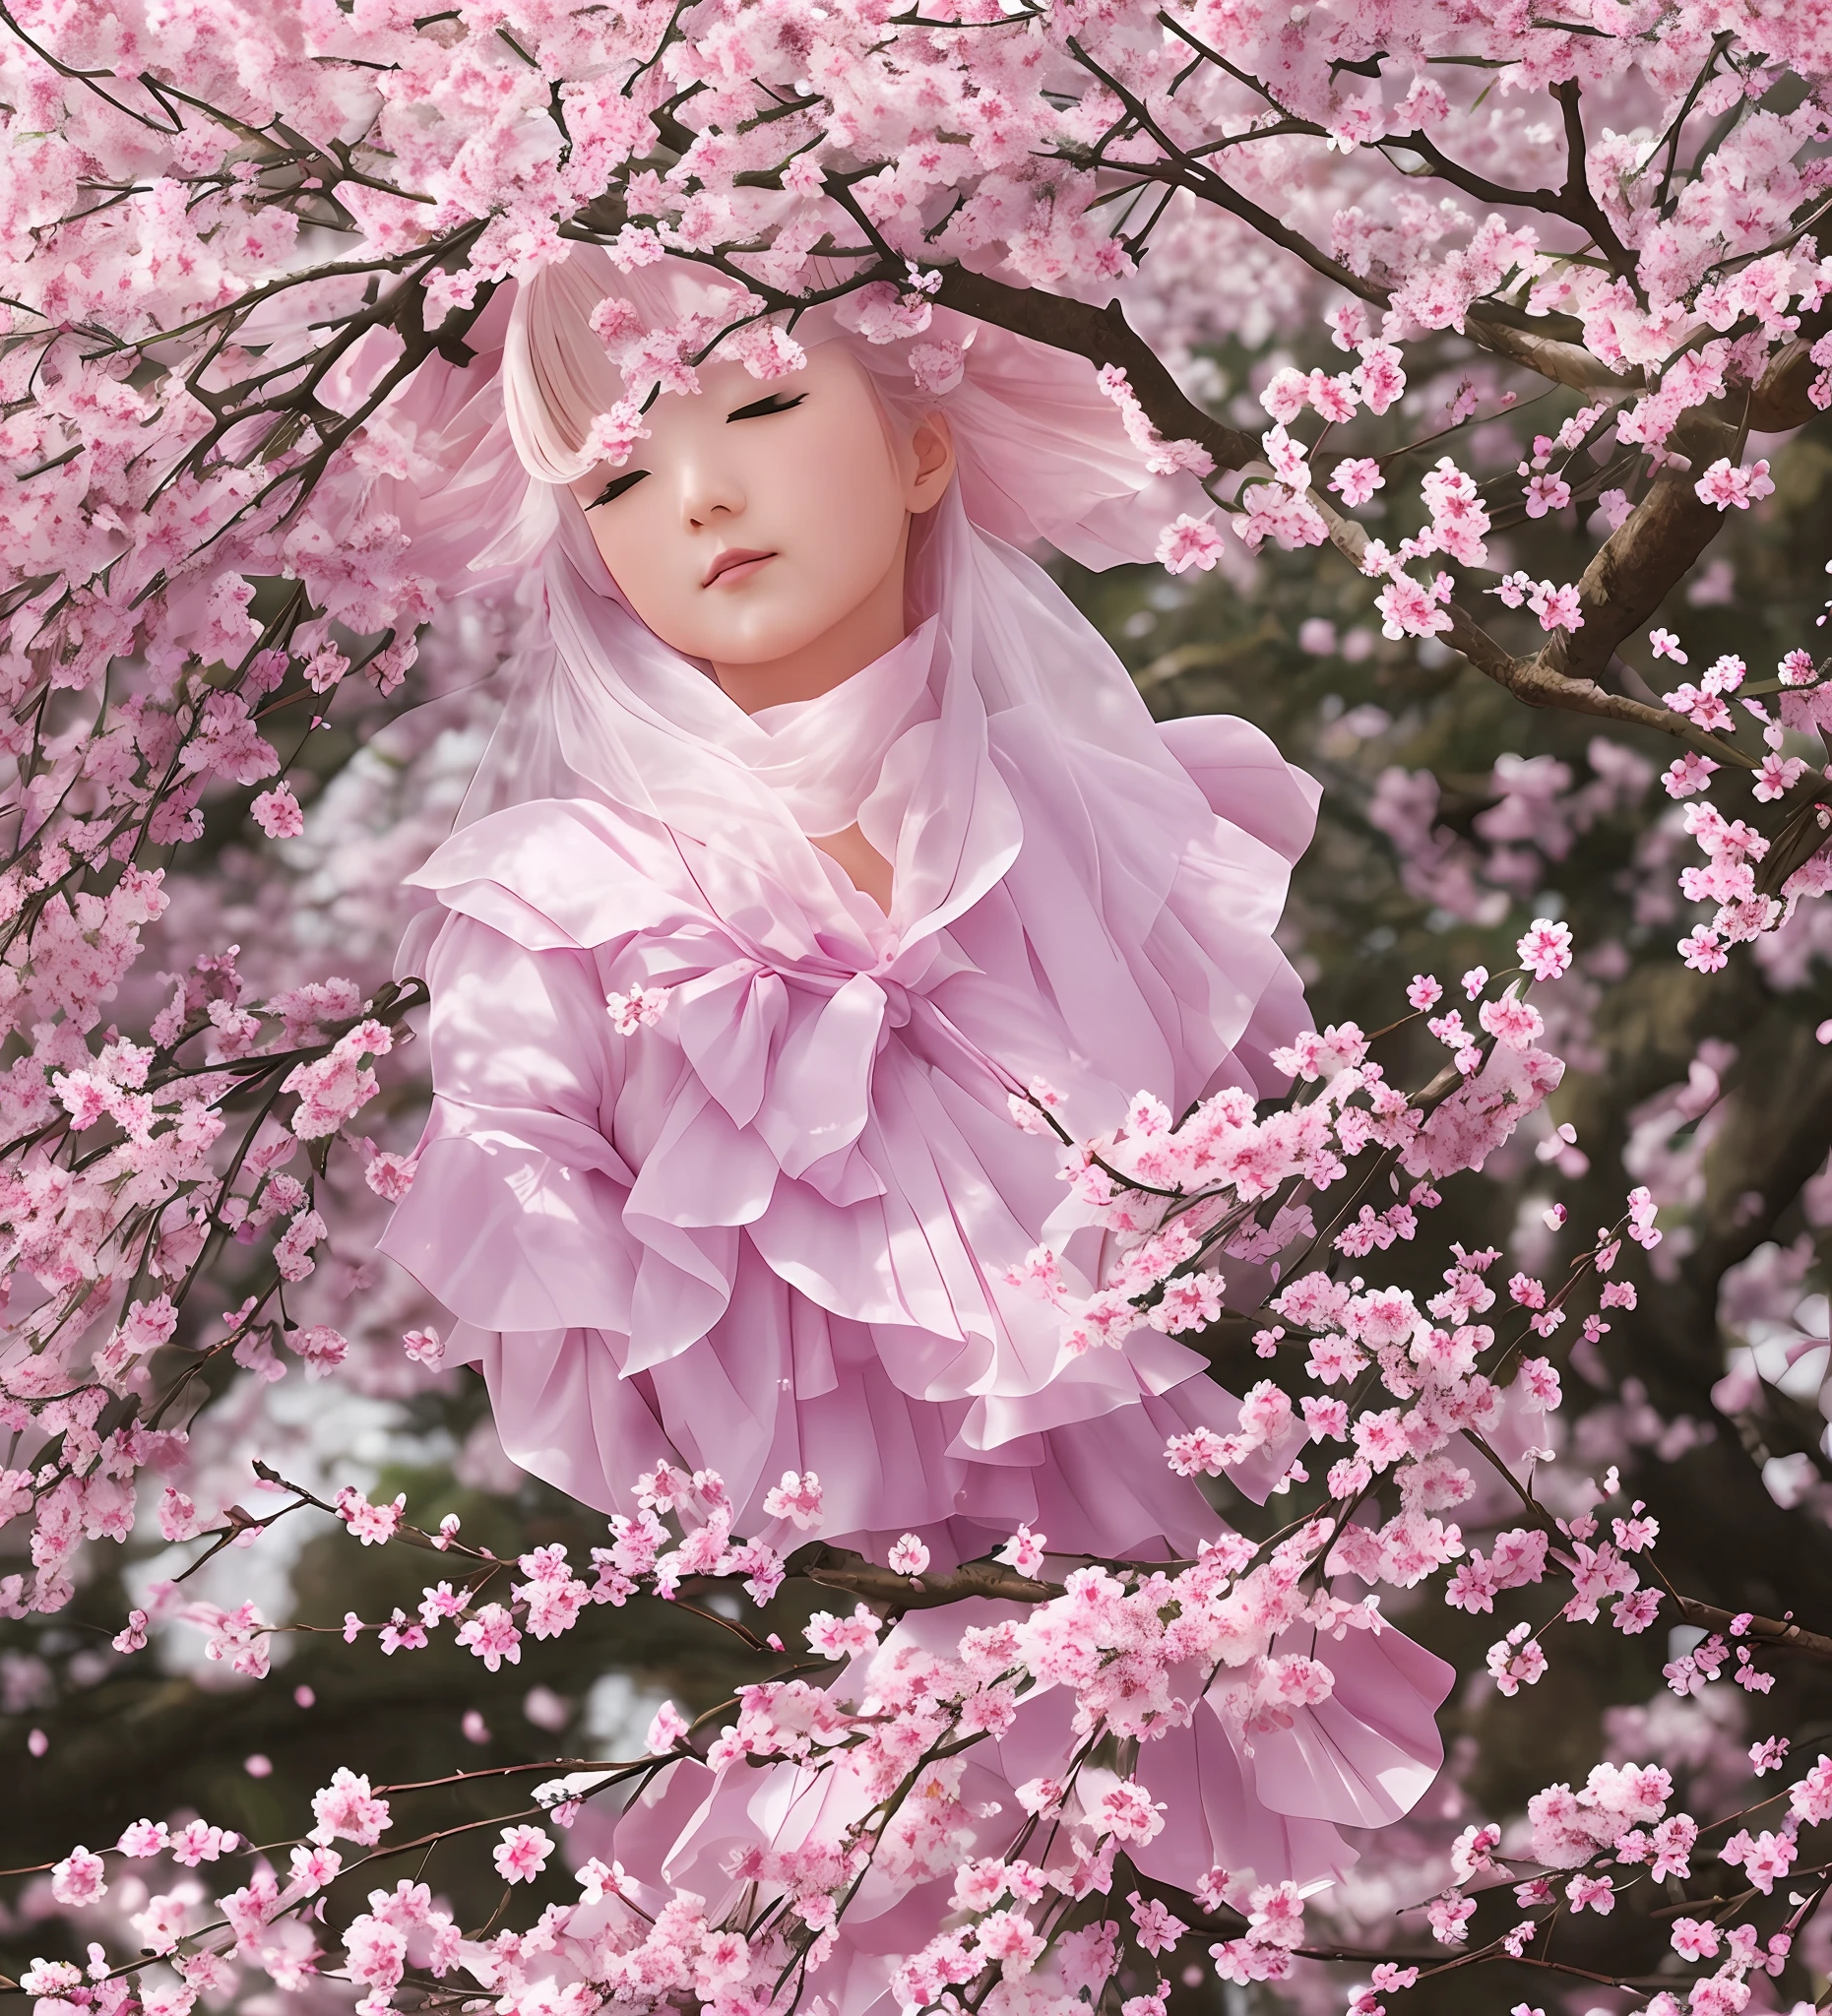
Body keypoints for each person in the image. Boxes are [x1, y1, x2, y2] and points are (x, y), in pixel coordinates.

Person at [349, 248, 1448, 1935]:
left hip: (1149, 1628)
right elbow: (558, 1298)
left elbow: (1225, 1183)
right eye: (622, 474)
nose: (700, 494)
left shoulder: (1105, 827)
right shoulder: (556, 908)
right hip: (846, 1679)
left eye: (767, 404)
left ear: (922, 447)